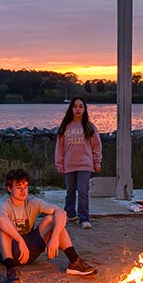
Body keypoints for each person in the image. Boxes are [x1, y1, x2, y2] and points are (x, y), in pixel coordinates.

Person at [0, 168, 97, 283]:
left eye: (25, 187)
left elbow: (61, 212)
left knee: (53, 219)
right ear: (9, 188)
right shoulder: (3, 204)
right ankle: (11, 271)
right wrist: (19, 240)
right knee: (1, 227)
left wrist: (54, 237)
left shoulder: (32, 202)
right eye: (18, 187)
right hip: (10, 251)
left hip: (29, 251)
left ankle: (74, 262)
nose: (23, 191)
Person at [54, 97, 102, 229]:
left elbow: (96, 146)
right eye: (75, 106)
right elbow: (60, 148)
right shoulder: (65, 127)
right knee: (70, 191)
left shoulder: (89, 126)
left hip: (85, 165)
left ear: (85, 109)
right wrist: (60, 164)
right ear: (71, 108)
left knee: (83, 192)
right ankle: (70, 214)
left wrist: (97, 162)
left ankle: (84, 218)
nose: (78, 109)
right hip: (69, 164)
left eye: (81, 106)